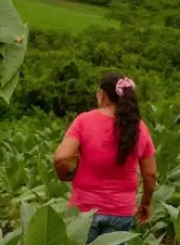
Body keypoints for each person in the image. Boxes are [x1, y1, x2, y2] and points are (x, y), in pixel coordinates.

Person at [53, 73, 158, 244]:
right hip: (121, 212)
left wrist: (64, 175)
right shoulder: (139, 127)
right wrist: (145, 204)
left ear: (102, 94)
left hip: (83, 211)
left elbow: (61, 157)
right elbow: (150, 174)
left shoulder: (84, 121)